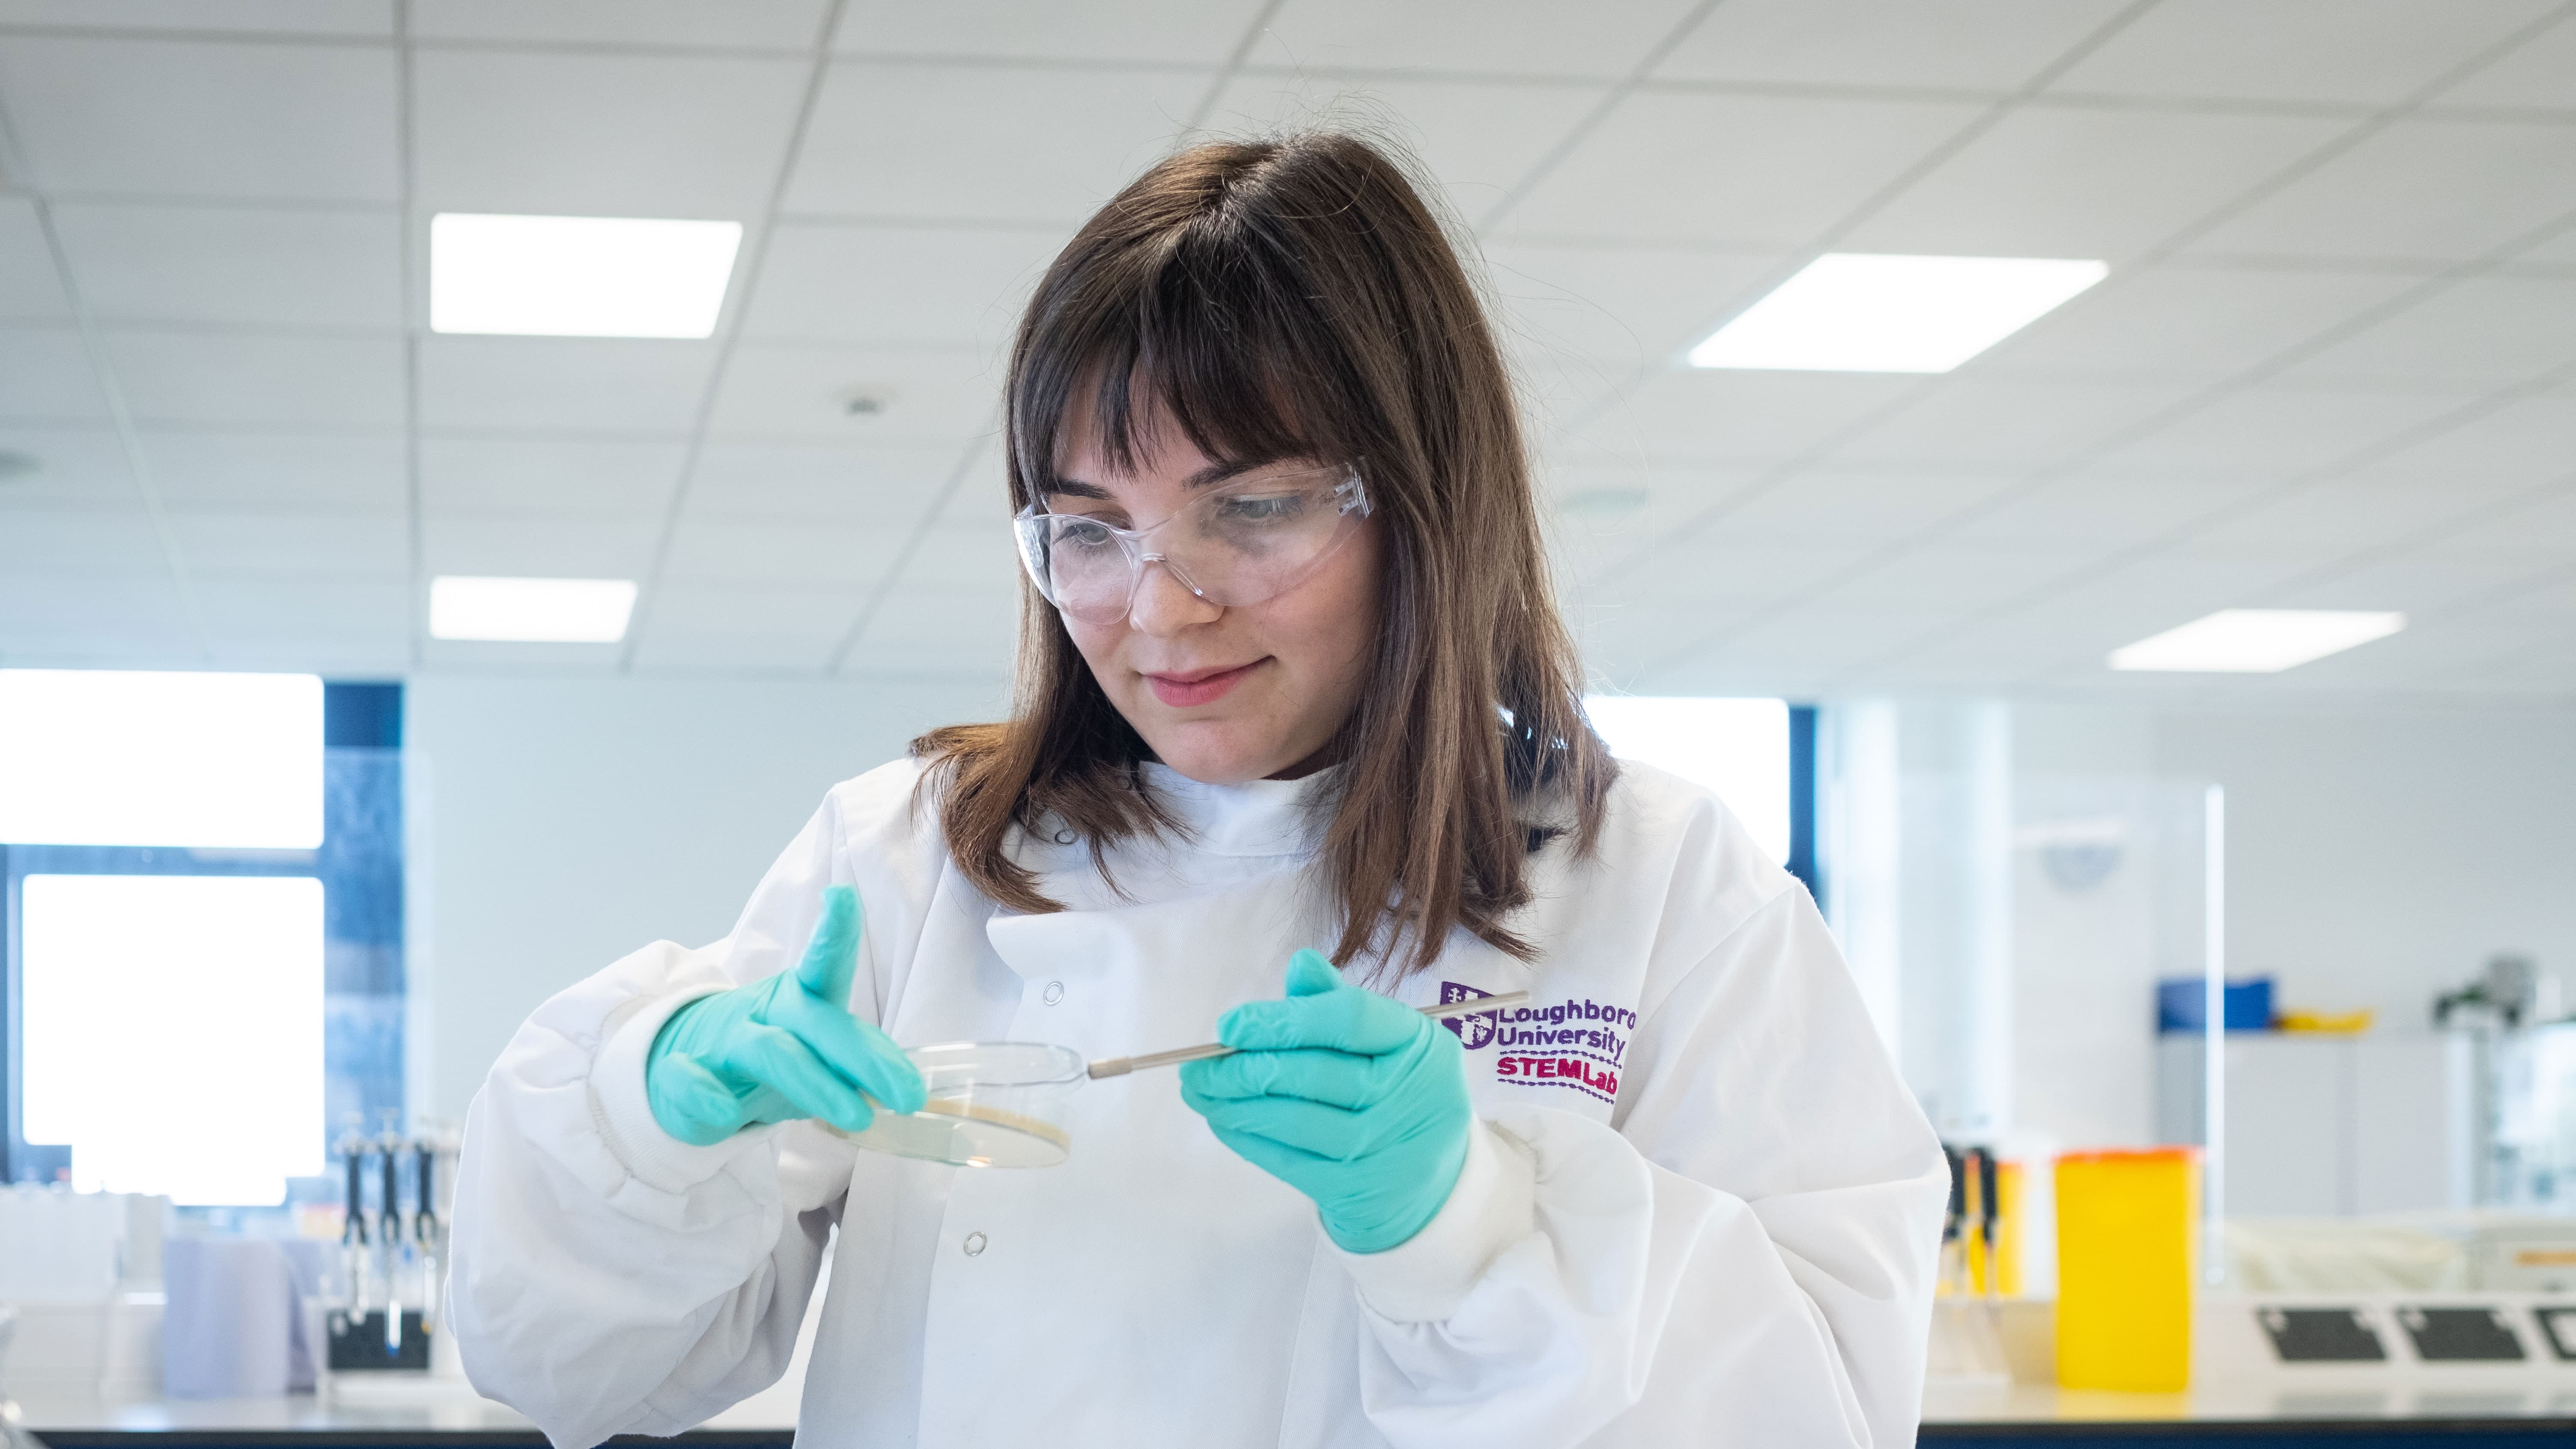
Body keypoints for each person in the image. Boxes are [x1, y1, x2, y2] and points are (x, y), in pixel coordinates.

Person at [449, 132, 1945, 1449]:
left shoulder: (1659, 886)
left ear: (1424, 503)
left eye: (1249, 510)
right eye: (1087, 529)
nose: (1157, 612)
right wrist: (652, 1119)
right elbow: (575, 1373)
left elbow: (1816, 1414)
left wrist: (1465, 1220)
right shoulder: (918, 858)